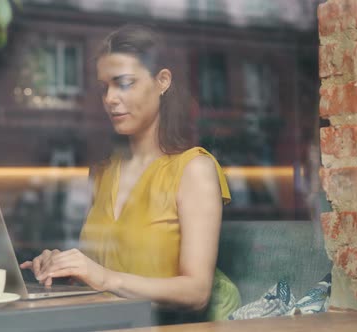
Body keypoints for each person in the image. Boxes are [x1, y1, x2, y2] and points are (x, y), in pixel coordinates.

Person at [20, 24, 241, 323]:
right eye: (104, 87)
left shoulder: (194, 169)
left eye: (123, 83)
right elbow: (101, 272)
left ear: (162, 81)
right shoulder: (101, 172)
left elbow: (196, 291)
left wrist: (104, 277)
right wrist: (62, 268)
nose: (110, 98)